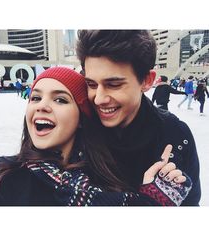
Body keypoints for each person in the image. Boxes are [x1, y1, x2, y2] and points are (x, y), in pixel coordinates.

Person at [0, 67, 191, 206]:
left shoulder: (111, 182)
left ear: (81, 119)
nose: (42, 107)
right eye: (35, 98)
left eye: (60, 100)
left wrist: (150, 201)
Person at [76, 30, 201, 205]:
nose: (99, 98)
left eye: (113, 84)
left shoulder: (176, 135)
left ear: (147, 81)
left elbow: (191, 205)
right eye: (91, 84)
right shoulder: (76, 129)